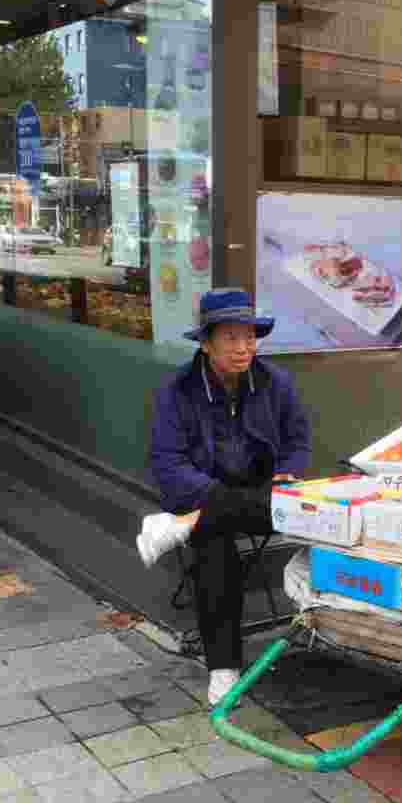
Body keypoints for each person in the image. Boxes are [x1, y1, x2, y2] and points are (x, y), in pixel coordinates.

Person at [139, 288, 311, 706]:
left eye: (250, 336)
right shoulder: (178, 390)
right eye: (231, 338)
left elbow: (298, 441)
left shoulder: (276, 382)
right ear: (206, 341)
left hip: (263, 494)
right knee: (215, 546)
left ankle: (180, 528)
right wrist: (213, 499)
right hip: (201, 493)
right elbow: (168, 461)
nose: (243, 347)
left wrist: (288, 473)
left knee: (322, 515)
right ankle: (223, 666)